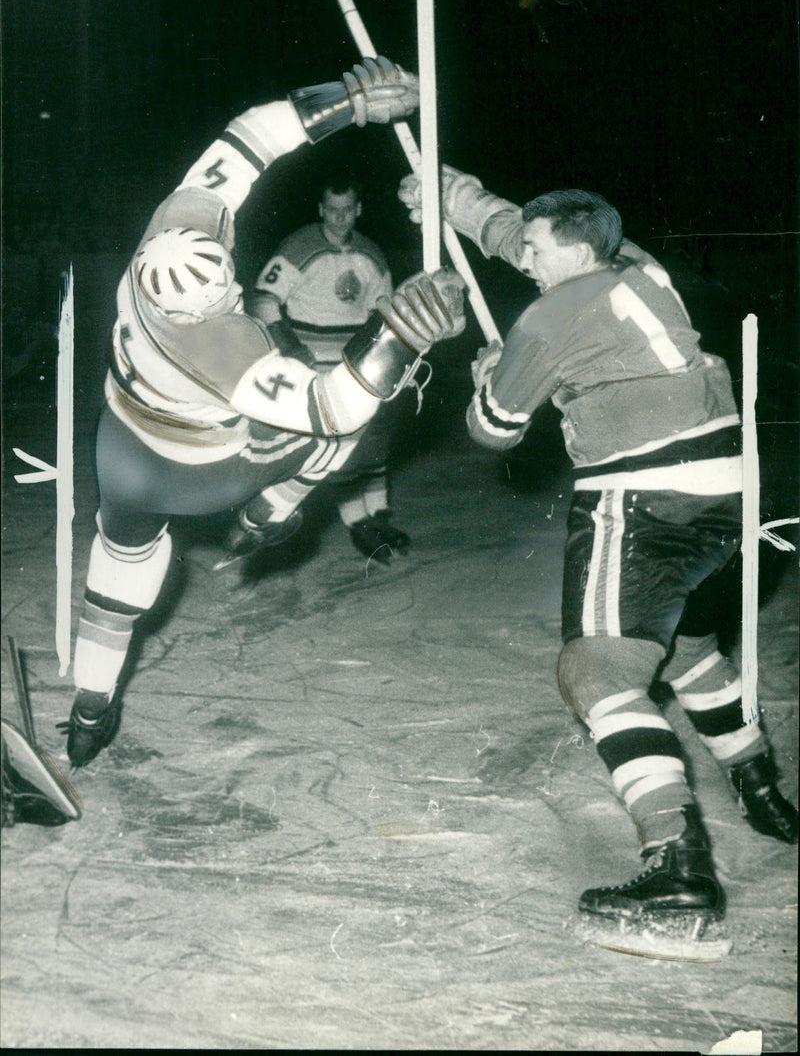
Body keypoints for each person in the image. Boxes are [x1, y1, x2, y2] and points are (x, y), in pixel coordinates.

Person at [399, 168, 798, 934]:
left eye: (542, 255)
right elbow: (514, 233)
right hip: (733, 487)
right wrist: (452, 194)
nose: (530, 264)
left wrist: (489, 379)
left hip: (645, 497)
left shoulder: (552, 318)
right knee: (682, 644)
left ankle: (677, 865)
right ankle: (758, 784)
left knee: (597, 670)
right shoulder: (634, 265)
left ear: (575, 253)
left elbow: (494, 430)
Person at [61, 57, 467, 769]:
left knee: (119, 578)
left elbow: (249, 136)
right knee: (341, 430)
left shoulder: (167, 235)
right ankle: (270, 510)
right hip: (202, 471)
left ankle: (89, 710)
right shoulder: (217, 340)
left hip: (121, 450)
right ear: (217, 283)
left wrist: (345, 103)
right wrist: (403, 332)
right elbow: (333, 404)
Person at [249, 174, 411, 564]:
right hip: (313, 365)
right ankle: (358, 523)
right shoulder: (299, 246)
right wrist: (289, 345)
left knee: (371, 440)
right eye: (332, 210)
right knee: (335, 448)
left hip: (359, 365)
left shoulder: (371, 253)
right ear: (322, 210)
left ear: (358, 210)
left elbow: (383, 310)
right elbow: (262, 299)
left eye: (347, 210)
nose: (339, 219)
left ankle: (379, 516)